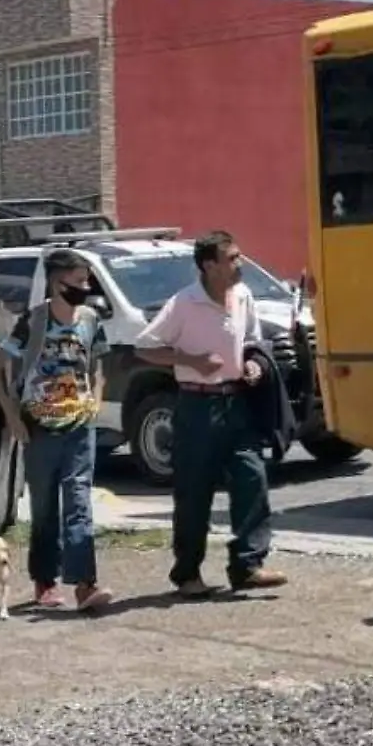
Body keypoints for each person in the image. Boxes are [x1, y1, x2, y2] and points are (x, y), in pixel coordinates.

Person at [137, 230, 287, 597]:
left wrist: (253, 364)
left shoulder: (243, 296)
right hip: (196, 406)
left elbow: (253, 339)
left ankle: (248, 566)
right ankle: (187, 574)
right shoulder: (184, 303)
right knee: (194, 492)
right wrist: (191, 361)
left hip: (236, 403)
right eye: (232, 258)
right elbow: (145, 347)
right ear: (209, 265)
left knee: (252, 479)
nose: (240, 264)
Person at [0, 249, 113, 612]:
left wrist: (96, 401)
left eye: (87, 280)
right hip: (38, 429)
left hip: (78, 428)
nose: (85, 288)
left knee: (79, 504)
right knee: (44, 510)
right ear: (57, 282)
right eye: (78, 281)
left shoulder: (90, 319)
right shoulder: (33, 322)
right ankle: (45, 580)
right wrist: (12, 417)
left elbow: (97, 365)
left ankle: (85, 585)